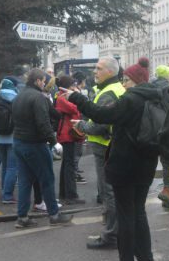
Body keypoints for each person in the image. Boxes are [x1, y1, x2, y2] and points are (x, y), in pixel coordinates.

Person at [68, 57, 160, 261]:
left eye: (127, 80)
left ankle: (126, 257)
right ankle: (146, 256)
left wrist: (77, 98)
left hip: (125, 165)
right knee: (139, 213)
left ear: (136, 81)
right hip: (147, 163)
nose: (124, 84)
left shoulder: (130, 99)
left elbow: (100, 115)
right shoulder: (156, 98)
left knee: (126, 215)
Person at [11, 68, 73, 228]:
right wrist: (54, 142)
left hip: (18, 143)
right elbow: (43, 123)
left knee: (25, 181)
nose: (45, 84)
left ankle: (22, 217)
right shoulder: (38, 98)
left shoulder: (19, 96)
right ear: (37, 81)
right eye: (43, 81)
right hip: (35, 144)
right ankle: (54, 215)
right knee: (47, 179)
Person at [75, 57, 125, 249]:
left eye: (99, 68)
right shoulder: (113, 89)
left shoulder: (108, 93)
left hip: (104, 148)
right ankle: (115, 231)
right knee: (112, 191)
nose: (95, 72)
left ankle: (111, 236)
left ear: (110, 72)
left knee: (108, 192)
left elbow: (98, 125)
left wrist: (80, 125)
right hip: (110, 146)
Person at [55, 75, 86, 205]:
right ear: (68, 85)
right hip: (67, 134)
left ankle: (64, 193)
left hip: (67, 133)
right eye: (73, 84)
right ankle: (71, 196)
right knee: (70, 165)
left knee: (67, 164)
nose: (75, 87)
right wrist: (77, 97)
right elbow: (75, 109)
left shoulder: (62, 95)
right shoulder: (62, 97)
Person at [0, 79, 19, 204]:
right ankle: (7, 195)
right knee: (13, 167)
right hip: (13, 137)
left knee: (5, 166)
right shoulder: (17, 99)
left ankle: (4, 192)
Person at [152, 65, 169, 208]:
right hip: (168, 129)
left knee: (160, 161)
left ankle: (168, 191)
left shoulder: (151, 87)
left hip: (153, 130)